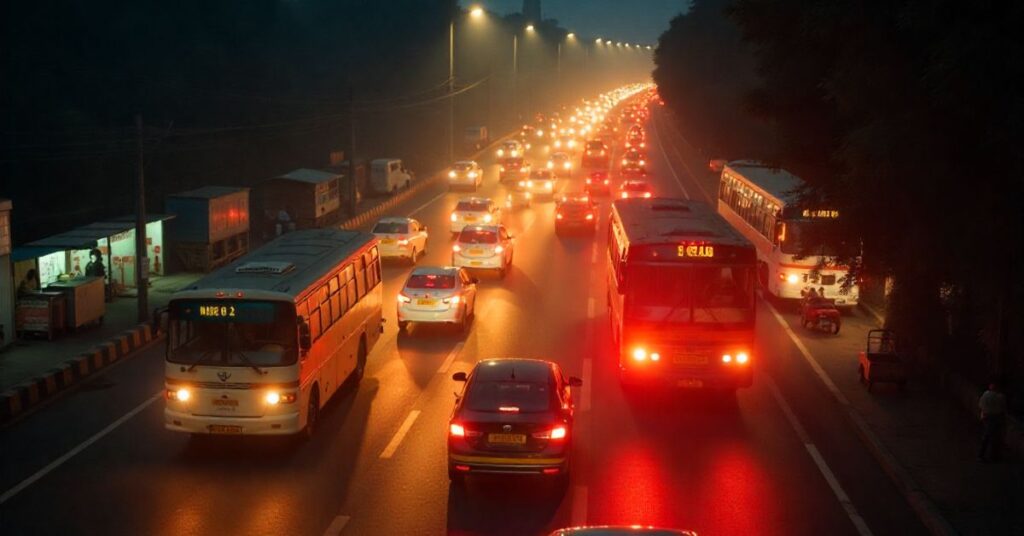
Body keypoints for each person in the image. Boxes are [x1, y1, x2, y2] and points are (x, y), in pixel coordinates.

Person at [978, 379, 1008, 462]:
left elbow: (981, 405)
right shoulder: (1001, 397)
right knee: (995, 437)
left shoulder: (986, 395)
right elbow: (1003, 409)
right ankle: (993, 455)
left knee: (987, 436)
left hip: (987, 417)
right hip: (995, 418)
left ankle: (983, 454)